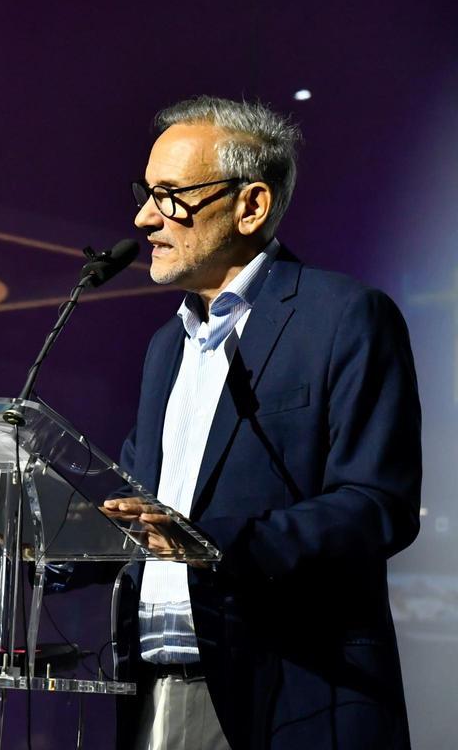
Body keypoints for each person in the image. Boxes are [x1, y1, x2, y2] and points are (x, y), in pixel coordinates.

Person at [101, 96, 421, 749]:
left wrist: (216, 543)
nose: (142, 218)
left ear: (251, 205)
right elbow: (139, 514)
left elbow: (377, 505)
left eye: (168, 195)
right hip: (154, 693)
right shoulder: (167, 346)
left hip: (290, 696)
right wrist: (34, 537)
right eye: (144, 193)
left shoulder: (344, 317)